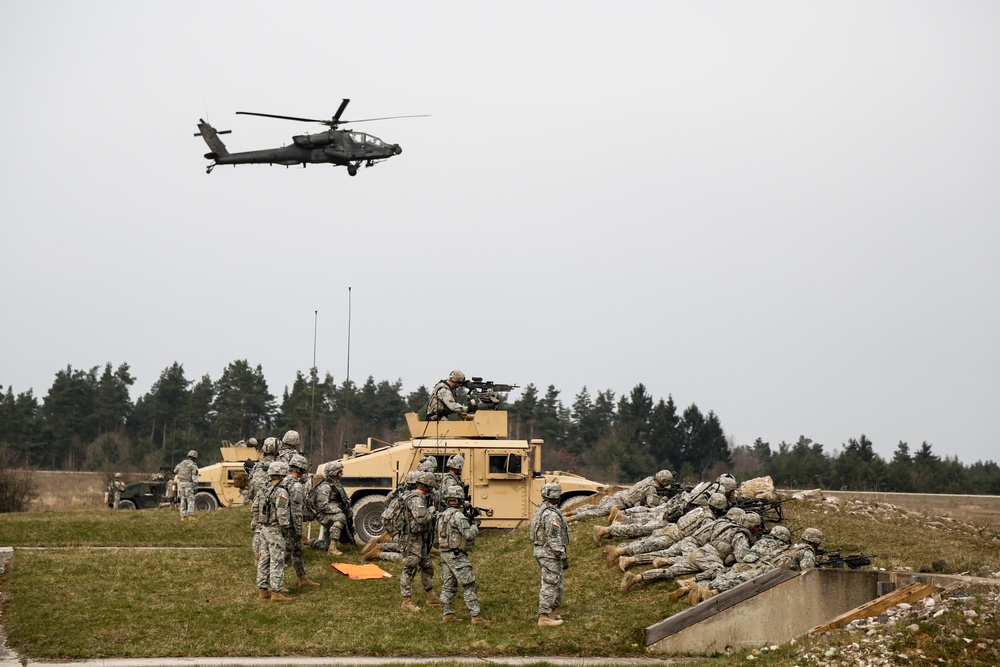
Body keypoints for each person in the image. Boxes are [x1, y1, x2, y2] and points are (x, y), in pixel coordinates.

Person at [436, 486, 486, 624]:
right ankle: (476, 616)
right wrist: (475, 525)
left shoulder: (441, 515)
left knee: (448, 584)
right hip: (456, 555)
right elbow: (469, 535)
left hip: (444, 553)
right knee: (469, 584)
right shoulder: (458, 516)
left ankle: (447, 614)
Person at [399, 471, 439, 612]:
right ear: (427, 486)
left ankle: (430, 596)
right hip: (411, 539)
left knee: (427, 565)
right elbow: (421, 519)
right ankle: (406, 601)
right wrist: (433, 509)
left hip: (420, 538)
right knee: (410, 568)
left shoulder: (421, 497)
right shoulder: (416, 499)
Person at [531, 482, 570, 628]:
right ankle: (544, 617)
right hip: (549, 553)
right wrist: (562, 553)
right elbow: (553, 537)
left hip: (543, 551)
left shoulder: (541, 509)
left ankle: (551, 613)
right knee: (550, 583)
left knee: (556, 582)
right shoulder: (551, 514)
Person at [255, 461, 292, 602]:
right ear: (283, 474)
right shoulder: (281, 491)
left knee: (264, 559)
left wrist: (258, 523)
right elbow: (282, 513)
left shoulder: (264, 489)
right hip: (275, 529)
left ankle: (263, 590)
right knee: (277, 560)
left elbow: (255, 507)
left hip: (264, 528)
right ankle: (276, 592)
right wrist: (285, 527)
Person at [285, 454, 320, 588]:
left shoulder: (283, 481)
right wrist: (299, 531)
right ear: (301, 470)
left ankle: (303, 578)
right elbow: (296, 511)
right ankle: (272, 585)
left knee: (298, 551)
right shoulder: (296, 486)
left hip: (284, 523)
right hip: (290, 525)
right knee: (284, 555)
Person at [310, 461, 351, 556]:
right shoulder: (325, 487)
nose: (342, 473)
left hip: (330, 514)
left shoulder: (336, 484)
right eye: (340, 471)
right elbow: (322, 506)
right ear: (334, 473)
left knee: (325, 545)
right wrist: (337, 510)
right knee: (340, 517)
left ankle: (309, 542)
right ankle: (332, 549)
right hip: (323, 515)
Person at [174, 450, 199, 521]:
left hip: (181, 484)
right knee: (190, 500)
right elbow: (195, 478)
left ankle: (183, 517)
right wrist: (196, 487)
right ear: (195, 457)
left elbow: (175, 471)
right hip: (189, 485)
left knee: (182, 500)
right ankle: (190, 516)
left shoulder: (181, 463)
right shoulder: (193, 466)